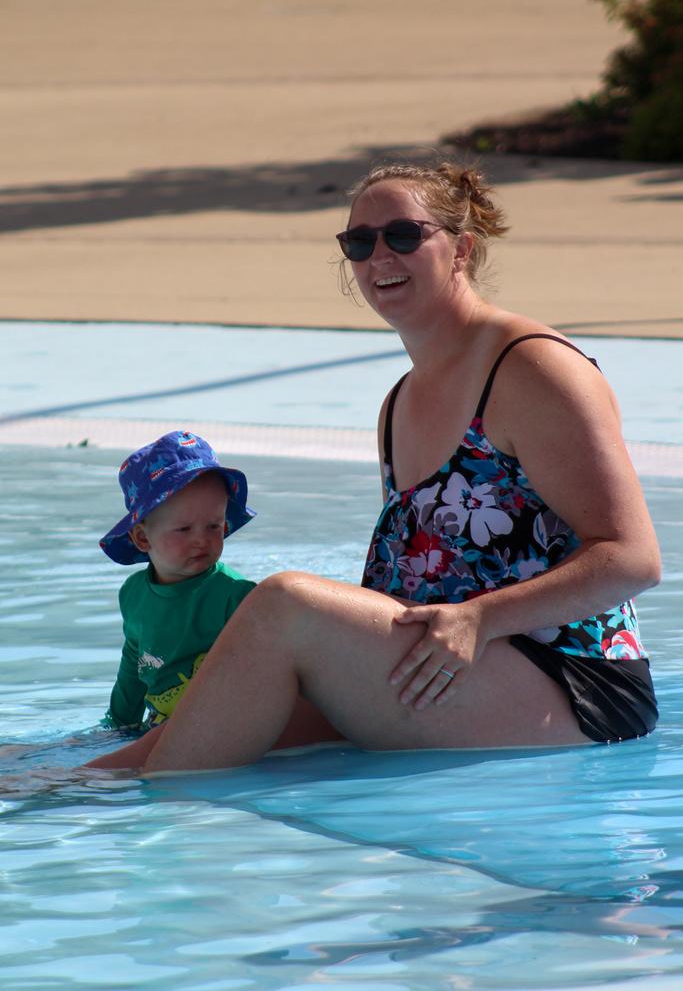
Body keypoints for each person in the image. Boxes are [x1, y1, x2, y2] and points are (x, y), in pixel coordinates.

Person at [102, 160, 660, 775]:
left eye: (403, 235)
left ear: (461, 249)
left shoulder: (532, 370)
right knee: (159, 748)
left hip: (575, 687)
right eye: (360, 242)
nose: (379, 256)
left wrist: (480, 619)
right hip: (442, 666)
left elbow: (632, 558)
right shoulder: (398, 404)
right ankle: (65, 788)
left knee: (284, 604)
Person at [98, 430, 257, 732]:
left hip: (219, 728)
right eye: (184, 529)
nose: (202, 540)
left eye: (214, 526)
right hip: (160, 728)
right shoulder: (133, 594)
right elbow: (133, 668)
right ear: (142, 537)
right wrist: (117, 726)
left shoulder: (235, 596)